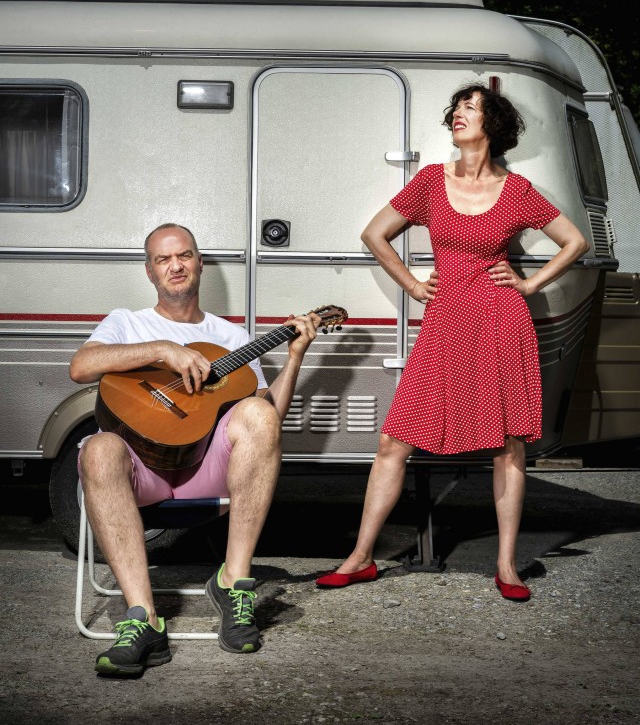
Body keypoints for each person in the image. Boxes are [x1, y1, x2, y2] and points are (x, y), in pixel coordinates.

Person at [316, 83, 589, 601]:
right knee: (393, 441)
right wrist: (414, 285)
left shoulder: (517, 190)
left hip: (501, 325)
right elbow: (375, 234)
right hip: (445, 325)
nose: (458, 116)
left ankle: (507, 566)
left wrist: (530, 284)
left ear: (494, 125)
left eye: (470, 108)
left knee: (508, 449)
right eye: (456, 109)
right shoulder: (430, 182)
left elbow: (576, 242)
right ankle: (360, 557)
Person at [70, 222, 319, 675]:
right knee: (98, 448)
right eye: (163, 259)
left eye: (183, 255)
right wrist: (164, 350)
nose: (175, 266)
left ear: (199, 262)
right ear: (150, 272)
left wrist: (296, 355)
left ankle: (232, 581)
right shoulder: (127, 322)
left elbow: (267, 421)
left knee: (259, 416)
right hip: (141, 468)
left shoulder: (231, 336)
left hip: (206, 464)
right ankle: (143, 619)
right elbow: (82, 367)